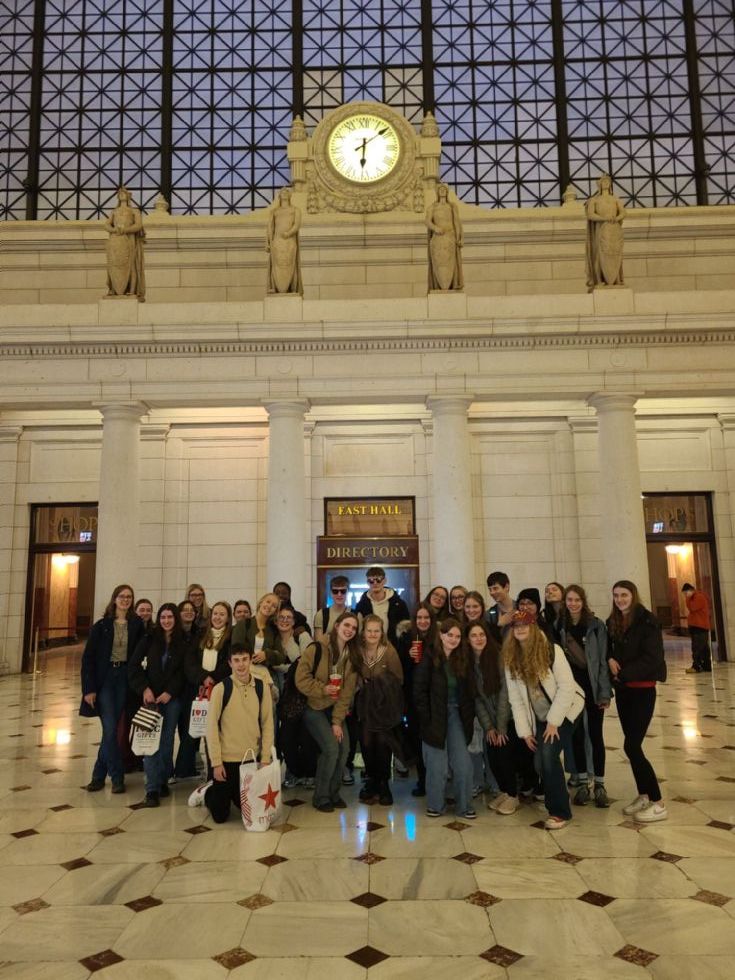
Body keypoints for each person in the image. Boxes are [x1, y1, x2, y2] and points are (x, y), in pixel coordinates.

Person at [503, 610, 585, 830]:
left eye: (524, 625)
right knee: (540, 762)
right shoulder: (511, 659)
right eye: (516, 626)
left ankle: (560, 812)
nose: (520, 629)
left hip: (566, 710)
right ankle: (560, 792)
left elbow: (567, 688)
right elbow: (516, 700)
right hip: (540, 717)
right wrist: (525, 732)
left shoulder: (551, 651)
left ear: (533, 627)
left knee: (548, 756)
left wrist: (553, 722)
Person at [188, 644, 275, 822]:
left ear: (251, 660)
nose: (241, 665)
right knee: (220, 816)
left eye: (244, 659)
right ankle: (207, 791)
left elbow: (267, 724)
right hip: (226, 762)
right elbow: (211, 728)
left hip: (250, 759)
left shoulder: (261, 687)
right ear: (230, 663)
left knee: (248, 809)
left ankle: (230, 793)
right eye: (236, 661)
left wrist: (265, 758)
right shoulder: (221, 689)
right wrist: (216, 763)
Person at [607, 580, 668, 823]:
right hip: (624, 691)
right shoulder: (614, 621)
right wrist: (610, 659)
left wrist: (622, 673)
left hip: (642, 690)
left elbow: (652, 658)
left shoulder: (648, 621)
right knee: (631, 745)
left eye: (624, 595)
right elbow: (611, 649)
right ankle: (643, 794)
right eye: (616, 595)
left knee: (632, 746)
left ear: (633, 595)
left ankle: (658, 801)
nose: (620, 599)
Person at [80, 584, 145, 794]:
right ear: (114, 599)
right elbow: (88, 658)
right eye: (122, 596)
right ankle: (117, 777)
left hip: (125, 677)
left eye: (129, 597)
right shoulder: (102, 626)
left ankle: (98, 775)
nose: (125, 600)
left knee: (113, 728)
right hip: (107, 677)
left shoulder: (137, 625)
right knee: (109, 728)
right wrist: (89, 689)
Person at [414, 617, 477, 820]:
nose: (454, 639)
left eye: (458, 636)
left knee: (463, 763)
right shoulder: (429, 657)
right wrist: (425, 720)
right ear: (441, 635)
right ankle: (435, 805)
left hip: (456, 714)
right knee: (436, 764)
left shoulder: (463, 659)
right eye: (450, 635)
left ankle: (464, 805)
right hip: (434, 716)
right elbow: (419, 691)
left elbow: (469, 693)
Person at [295, 611, 359, 812]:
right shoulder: (316, 649)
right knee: (331, 748)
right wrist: (322, 689)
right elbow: (301, 679)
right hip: (314, 707)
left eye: (354, 628)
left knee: (344, 749)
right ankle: (321, 796)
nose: (349, 630)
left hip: (335, 710)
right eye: (346, 625)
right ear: (337, 625)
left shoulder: (352, 656)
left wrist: (337, 722)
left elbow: (347, 693)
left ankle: (334, 793)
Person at [128, 603, 186, 808]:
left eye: (170, 617)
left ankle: (162, 780)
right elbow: (134, 665)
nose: (167, 620)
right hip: (150, 699)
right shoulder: (149, 638)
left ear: (176, 619)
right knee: (150, 741)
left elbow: (182, 672)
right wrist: (144, 689)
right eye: (163, 617)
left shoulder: (182, 641)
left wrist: (170, 692)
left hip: (171, 699)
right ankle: (151, 788)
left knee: (167, 741)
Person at [558, 585, 611, 807]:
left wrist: (604, 692)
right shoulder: (560, 626)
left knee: (596, 736)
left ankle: (599, 783)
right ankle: (581, 783)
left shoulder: (595, 626)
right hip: (572, 691)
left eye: (577, 600)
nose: (573, 604)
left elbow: (601, 661)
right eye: (569, 600)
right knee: (576, 736)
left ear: (583, 601)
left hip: (592, 688)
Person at [353, 615, 404, 806]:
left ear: (381, 632)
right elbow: (352, 675)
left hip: (384, 706)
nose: (373, 634)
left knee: (383, 743)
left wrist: (380, 684)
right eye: (369, 630)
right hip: (364, 706)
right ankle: (372, 781)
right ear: (363, 632)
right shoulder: (357, 651)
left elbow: (399, 678)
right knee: (366, 743)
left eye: (377, 630)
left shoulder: (389, 651)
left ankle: (384, 783)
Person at [470, 622, 518, 815]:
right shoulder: (470, 664)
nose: (478, 638)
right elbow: (478, 700)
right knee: (493, 756)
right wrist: (489, 727)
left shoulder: (498, 657)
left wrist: (500, 727)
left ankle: (513, 795)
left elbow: (505, 694)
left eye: (482, 634)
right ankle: (505, 792)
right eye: (474, 635)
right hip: (491, 720)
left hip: (509, 719)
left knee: (505, 756)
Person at [396, 602, 437, 797]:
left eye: (426, 618)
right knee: (418, 740)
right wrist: (407, 655)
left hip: (435, 697)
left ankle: (436, 779)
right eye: (419, 618)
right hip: (413, 699)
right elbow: (399, 670)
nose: (422, 621)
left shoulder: (439, 638)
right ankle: (423, 780)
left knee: (434, 739)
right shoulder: (406, 639)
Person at [172, 599, 202, 781]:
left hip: (192, 687)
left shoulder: (198, 634)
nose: (189, 612)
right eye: (185, 610)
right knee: (172, 729)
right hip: (174, 687)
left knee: (190, 729)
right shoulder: (173, 634)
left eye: (192, 610)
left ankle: (185, 767)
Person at [231, 592, 287, 677]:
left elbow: (281, 657)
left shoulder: (273, 630)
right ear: (261, 602)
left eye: (274, 606)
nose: (269, 606)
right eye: (268, 602)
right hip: (244, 673)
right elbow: (235, 649)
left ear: (275, 611)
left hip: (266, 674)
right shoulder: (243, 624)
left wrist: (267, 654)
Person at [104, 185, 145, 300]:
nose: (122, 194)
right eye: (120, 193)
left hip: (129, 239)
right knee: (114, 265)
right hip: (116, 241)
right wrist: (114, 230)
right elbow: (107, 224)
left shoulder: (134, 211)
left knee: (131, 264)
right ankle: (113, 289)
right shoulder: (114, 211)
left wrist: (125, 230)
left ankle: (132, 291)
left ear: (128, 196)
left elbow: (138, 225)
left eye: (124, 193)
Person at [355, 566, 410, 647]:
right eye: (371, 581)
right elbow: (359, 630)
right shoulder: (362, 605)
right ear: (367, 582)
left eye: (378, 580)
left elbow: (406, 629)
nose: (375, 583)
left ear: (384, 581)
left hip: (394, 648)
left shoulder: (399, 604)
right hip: (369, 649)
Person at [682, 582, 712, 673]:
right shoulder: (695, 597)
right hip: (698, 626)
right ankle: (706, 666)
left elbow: (692, 608)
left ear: (691, 590)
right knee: (703, 647)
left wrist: (687, 598)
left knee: (697, 647)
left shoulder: (698, 597)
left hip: (699, 626)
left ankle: (696, 666)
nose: (686, 595)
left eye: (686, 593)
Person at [313, 575, 352, 639]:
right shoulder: (322, 614)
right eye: (335, 591)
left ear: (348, 592)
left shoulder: (356, 614)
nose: (339, 594)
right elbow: (319, 643)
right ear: (331, 593)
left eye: (343, 591)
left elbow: (358, 642)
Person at [485, 571, 515, 642]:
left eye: (495, 588)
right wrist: (499, 625)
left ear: (506, 587)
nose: (492, 593)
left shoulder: (521, 608)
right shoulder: (488, 615)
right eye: (490, 589)